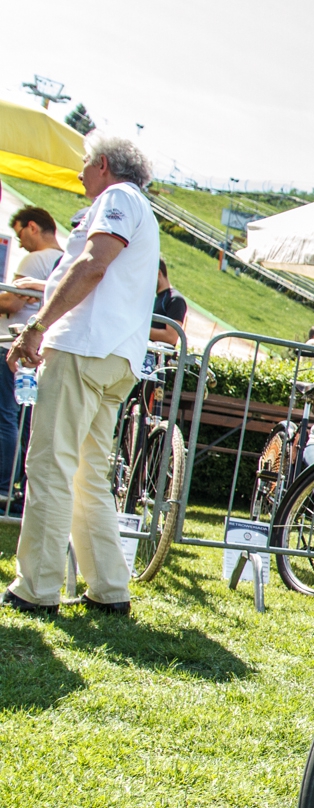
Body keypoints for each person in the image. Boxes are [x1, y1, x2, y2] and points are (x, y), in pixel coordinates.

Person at [3, 137, 159, 618]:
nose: (80, 174)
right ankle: (109, 587)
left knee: (51, 466)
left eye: (85, 165)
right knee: (89, 475)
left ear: (104, 166)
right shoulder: (141, 207)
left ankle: (38, 587)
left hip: (84, 347)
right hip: (116, 357)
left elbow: (92, 266)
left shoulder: (115, 199)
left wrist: (36, 325)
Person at [1, 206, 66, 503]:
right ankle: (26, 490)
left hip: (16, 348)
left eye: (20, 234)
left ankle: (3, 486)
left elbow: (12, 302)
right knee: (30, 423)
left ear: (32, 227)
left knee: (6, 417)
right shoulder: (65, 261)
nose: (20, 243)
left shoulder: (34, 259)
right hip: (47, 351)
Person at [150, 259, 187, 346]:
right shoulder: (156, 299)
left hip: (157, 357)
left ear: (158, 273)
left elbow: (171, 337)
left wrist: (140, 330)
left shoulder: (175, 299)